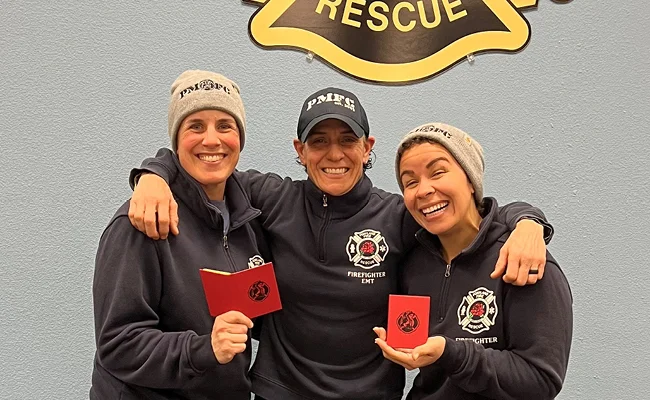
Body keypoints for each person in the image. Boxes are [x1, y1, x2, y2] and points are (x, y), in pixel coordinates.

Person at [127, 88, 554, 400]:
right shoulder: (273, 199)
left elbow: (469, 212)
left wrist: (529, 223)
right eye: (319, 141)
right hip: (279, 393)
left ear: (367, 148)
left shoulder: (398, 216)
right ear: (299, 150)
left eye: (347, 140)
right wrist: (152, 174)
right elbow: (209, 164)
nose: (335, 154)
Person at [90, 70, 269, 400]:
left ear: (240, 138)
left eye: (225, 126)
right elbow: (118, 343)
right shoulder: (143, 220)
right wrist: (203, 348)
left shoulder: (249, 216)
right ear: (176, 140)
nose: (211, 140)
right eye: (195, 126)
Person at [374, 122, 573, 399]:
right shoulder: (413, 263)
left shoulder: (522, 260)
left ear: (470, 179)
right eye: (410, 182)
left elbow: (541, 380)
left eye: (438, 172)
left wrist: (452, 352)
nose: (423, 190)